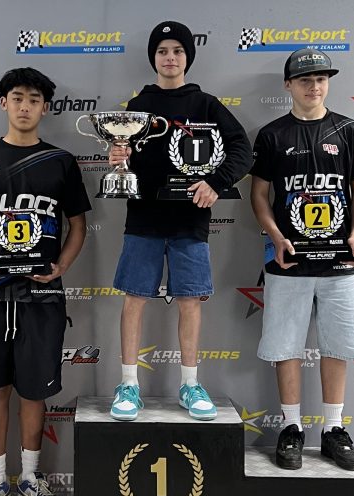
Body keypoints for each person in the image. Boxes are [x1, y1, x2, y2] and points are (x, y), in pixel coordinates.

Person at [0, 67, 91, 496]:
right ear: (3, 103)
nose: (25, 106)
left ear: (45, 107)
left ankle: (30, 476)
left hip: (41, 295)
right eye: (17, 97)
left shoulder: (61, 161)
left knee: (34, 390)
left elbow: (77, 225)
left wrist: (62, 266)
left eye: (33, 99)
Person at [108, 22, 251, 421]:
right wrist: (118, 158)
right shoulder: (138, 106)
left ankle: (190, 384)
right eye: (162, 51)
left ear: (188, 57)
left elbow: (242, 150)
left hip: (191, 221)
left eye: (177, 51)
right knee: (134, 299)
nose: (170, 58)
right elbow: (125, 152)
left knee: (190, 300)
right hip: (144, 218)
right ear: (153, 58)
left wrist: (216, 183)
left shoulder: (206, 104)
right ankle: (128, 384)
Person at [249, 49, 354, 471]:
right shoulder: (272, 135)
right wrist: (276, 236)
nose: (314, 86)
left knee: (337, 344)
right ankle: (292, 427)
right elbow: (258, 194)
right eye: (305, 79)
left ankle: (334, 429)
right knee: (286, 346)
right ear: (288, 85)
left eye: (321, 78)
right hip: (288, 261)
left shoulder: (349, 129)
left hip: (339, 261)